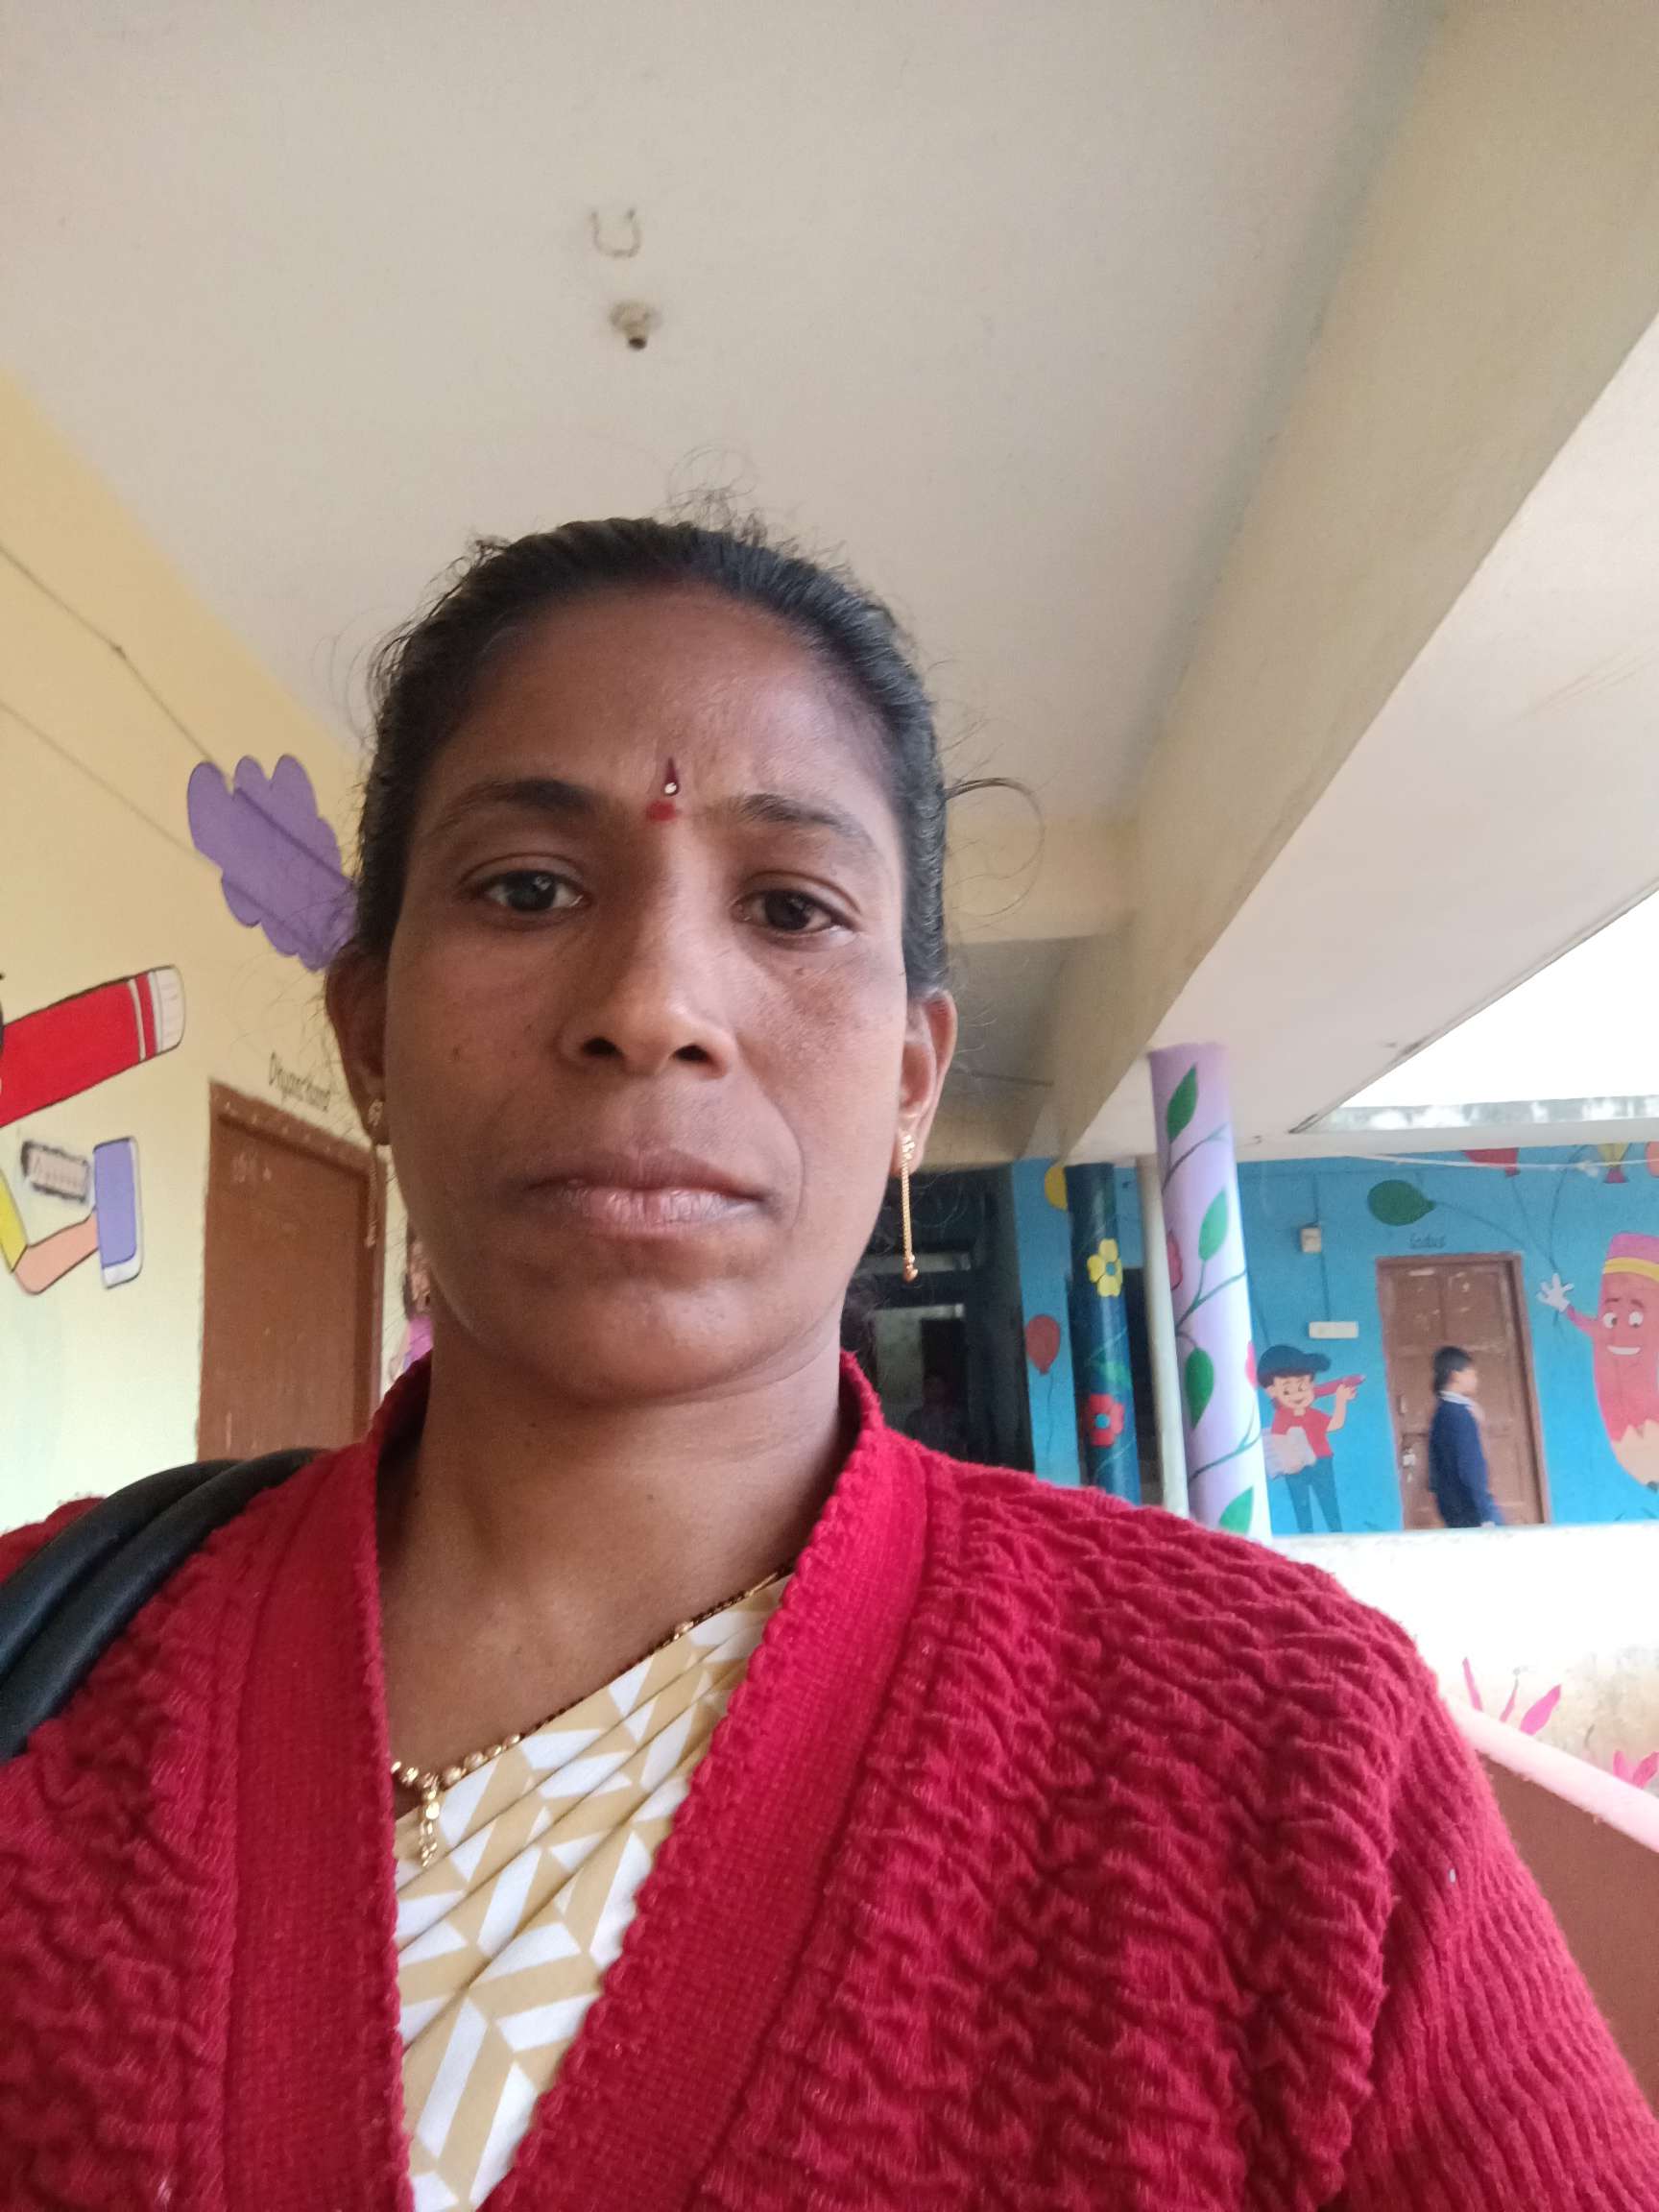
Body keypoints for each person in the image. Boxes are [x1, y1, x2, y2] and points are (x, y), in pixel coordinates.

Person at [1, 518, 1653, 2209]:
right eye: (527, 888)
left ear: (913, 1079)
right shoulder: (49, 1652)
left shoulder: (1294, 1751)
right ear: (367, 1033)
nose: (653, 1004)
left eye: (791, 907)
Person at [1256, 1343, 1360, 1533]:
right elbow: (1278, 1438)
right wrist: (1290, 1461)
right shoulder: (1282, 1417)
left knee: (1329, 1502)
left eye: (1302, 1386)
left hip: (1322, 1461)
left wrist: (1340, 1400)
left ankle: (1337, 1535)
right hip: (1295, 1467)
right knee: (1302, 1507)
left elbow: (1335, 1424)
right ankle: (1306, 1538)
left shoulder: (1313, 1414)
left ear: (1312, 1384)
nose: (1297, 1394)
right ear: (1272, 1391)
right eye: (1287, 1390)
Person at [1429, 1343, 1505, 1527]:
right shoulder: (1460, 1415)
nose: (1476, 1379)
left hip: (1453, 1507)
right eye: (1472, 1374)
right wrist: (1485, 1515)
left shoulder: (1442, 1412)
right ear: (1456, 1376)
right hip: (1471, 1509)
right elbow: (1471, 1467)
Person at [902, 1367, 967, 1456]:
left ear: (945, 1388)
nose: (934, 1389)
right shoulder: (914, 1419)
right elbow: (907, 1449)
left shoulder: (957, 1418)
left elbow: (965, 1448)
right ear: (924, 1389)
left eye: (938, 1385)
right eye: (930, 1385)